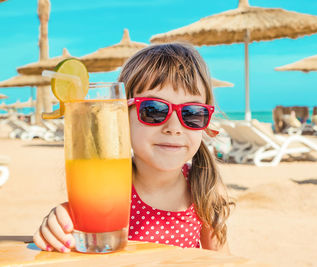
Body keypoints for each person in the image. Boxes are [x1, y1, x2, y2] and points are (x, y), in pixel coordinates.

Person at [33, 43, 233, 253]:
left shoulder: (205, 188)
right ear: (121, 115)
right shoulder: (104, 187)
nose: (174, 128)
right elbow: (80, 245)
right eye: (153, 110)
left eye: (192, 113)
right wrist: (59, 226)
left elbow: (222, 261)